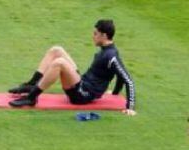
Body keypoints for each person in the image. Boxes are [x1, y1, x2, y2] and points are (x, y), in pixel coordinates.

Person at [7, 19, 136, 113]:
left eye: (95, 33)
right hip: (82, 83)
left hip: (83, 94)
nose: (93, 36)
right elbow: (119, 76)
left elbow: (127, 80)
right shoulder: (106, 51)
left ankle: (31, 97)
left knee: (59, 63)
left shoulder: (111, 56)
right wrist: (114, 93)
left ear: (104, 35)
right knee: (56, 50)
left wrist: (130, 107)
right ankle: (31, 85)